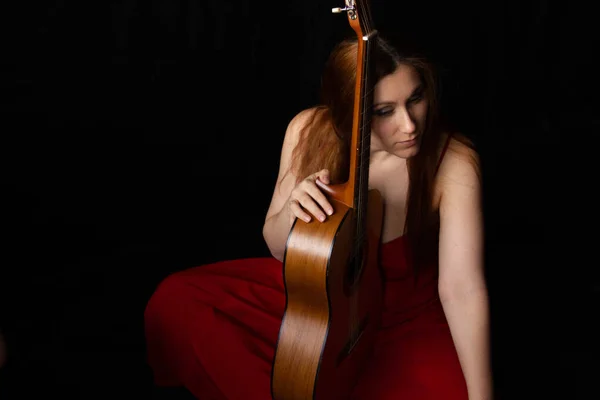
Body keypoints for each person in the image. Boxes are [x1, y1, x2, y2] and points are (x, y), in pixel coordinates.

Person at [144, 34, 493, 400]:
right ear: (349, 110)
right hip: (320, 299)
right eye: (384, 111)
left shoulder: (452, 161)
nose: (409, 125)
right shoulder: (306, 131)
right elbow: (278, 249)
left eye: (416, 98)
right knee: (177, 302)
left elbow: (461, 289)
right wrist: (294, 209)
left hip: (405, 322)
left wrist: (482, 395)